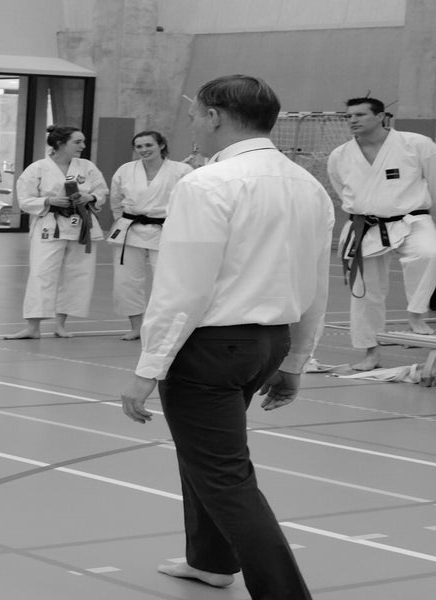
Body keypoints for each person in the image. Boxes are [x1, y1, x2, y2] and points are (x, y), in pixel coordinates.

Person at [121, 75, 331, 599]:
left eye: (195, 114)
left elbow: (182, 288)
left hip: (211, 349)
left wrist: (148, 368)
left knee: (225, 477)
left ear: (214, 115)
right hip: (268, 344)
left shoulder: (205, 184)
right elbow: (316, 284)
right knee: (206, 455)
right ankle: (211, 561)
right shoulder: (308, 185)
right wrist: (295, 361)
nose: (192, 123)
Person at [328, 96, 436, 371]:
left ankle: (416, 313)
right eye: (349, 116)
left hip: (412, 219)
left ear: (380, 116)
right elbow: (343, 191)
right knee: (364, 293)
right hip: (364, 225)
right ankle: (370, 353)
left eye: (360, 114)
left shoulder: (417, 145)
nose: (352, 120)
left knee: (430, 253)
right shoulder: (340, 155)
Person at [6, 125, 108, 339]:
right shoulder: (37, 168)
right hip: (49, 225)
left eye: (83, 141)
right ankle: (33, 327)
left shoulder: (87, 167)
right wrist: (49, 200)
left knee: (76, 275)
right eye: (77, 142)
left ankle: (61, 324)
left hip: (81, 224)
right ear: (61, 143)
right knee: (41, 274)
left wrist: (90, 197)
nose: (83, 146)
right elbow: (24, 200)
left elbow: (101, 191)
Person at [107, 130, 193, 340]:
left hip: (165, 229)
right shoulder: (126, 170)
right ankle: (136, 327)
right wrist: (122, 220)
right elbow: (115, 200)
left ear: (161, 145)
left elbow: (190, 201)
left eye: (148, 145)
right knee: (126, 282)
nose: (144, 150)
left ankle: (166, 328)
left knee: (168, 282)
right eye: (139, 146)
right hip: (130, 229)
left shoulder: (182, 170)